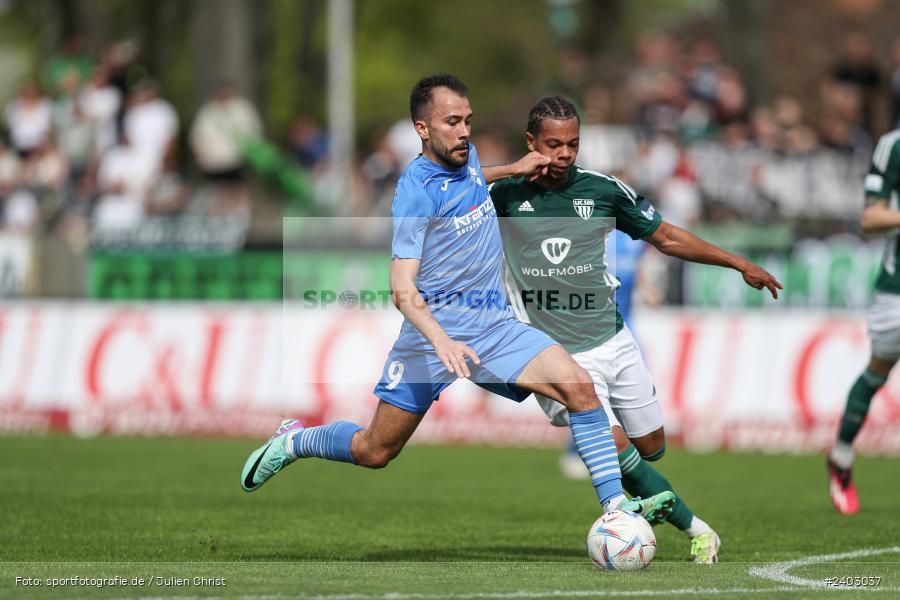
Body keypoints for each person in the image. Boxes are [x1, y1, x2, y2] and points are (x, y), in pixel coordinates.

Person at [240, 74, 676, 526]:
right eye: (452, 122)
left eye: (467, 120)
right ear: (422, 129)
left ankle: (615, 510)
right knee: (376, 450)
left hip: (495, 328)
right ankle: (293, 441)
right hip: (432, 340)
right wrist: (441, 341)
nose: (464, 130)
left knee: (579, 387)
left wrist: (511, 170)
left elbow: (470, 184)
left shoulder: (465, 159)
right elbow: (401, 288)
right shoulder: (414, 191)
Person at [488, 96, 783, 563]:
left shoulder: (604, 191)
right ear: (531, 142)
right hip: (555, 353)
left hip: (614, 340)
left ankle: (642, 492)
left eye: (573, 144)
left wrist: (736, 262)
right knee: (614, 441)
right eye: (552, 145)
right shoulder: (503, 195)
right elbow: (444, 194)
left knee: (650, 447)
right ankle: (698, 530)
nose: (564, 154)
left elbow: (665, 236)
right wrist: (508, 170)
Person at [827, 128, 900, 515]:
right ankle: (840, 456)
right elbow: (871, 218)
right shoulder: (893, 145)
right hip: (897, 289)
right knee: (878, 370)